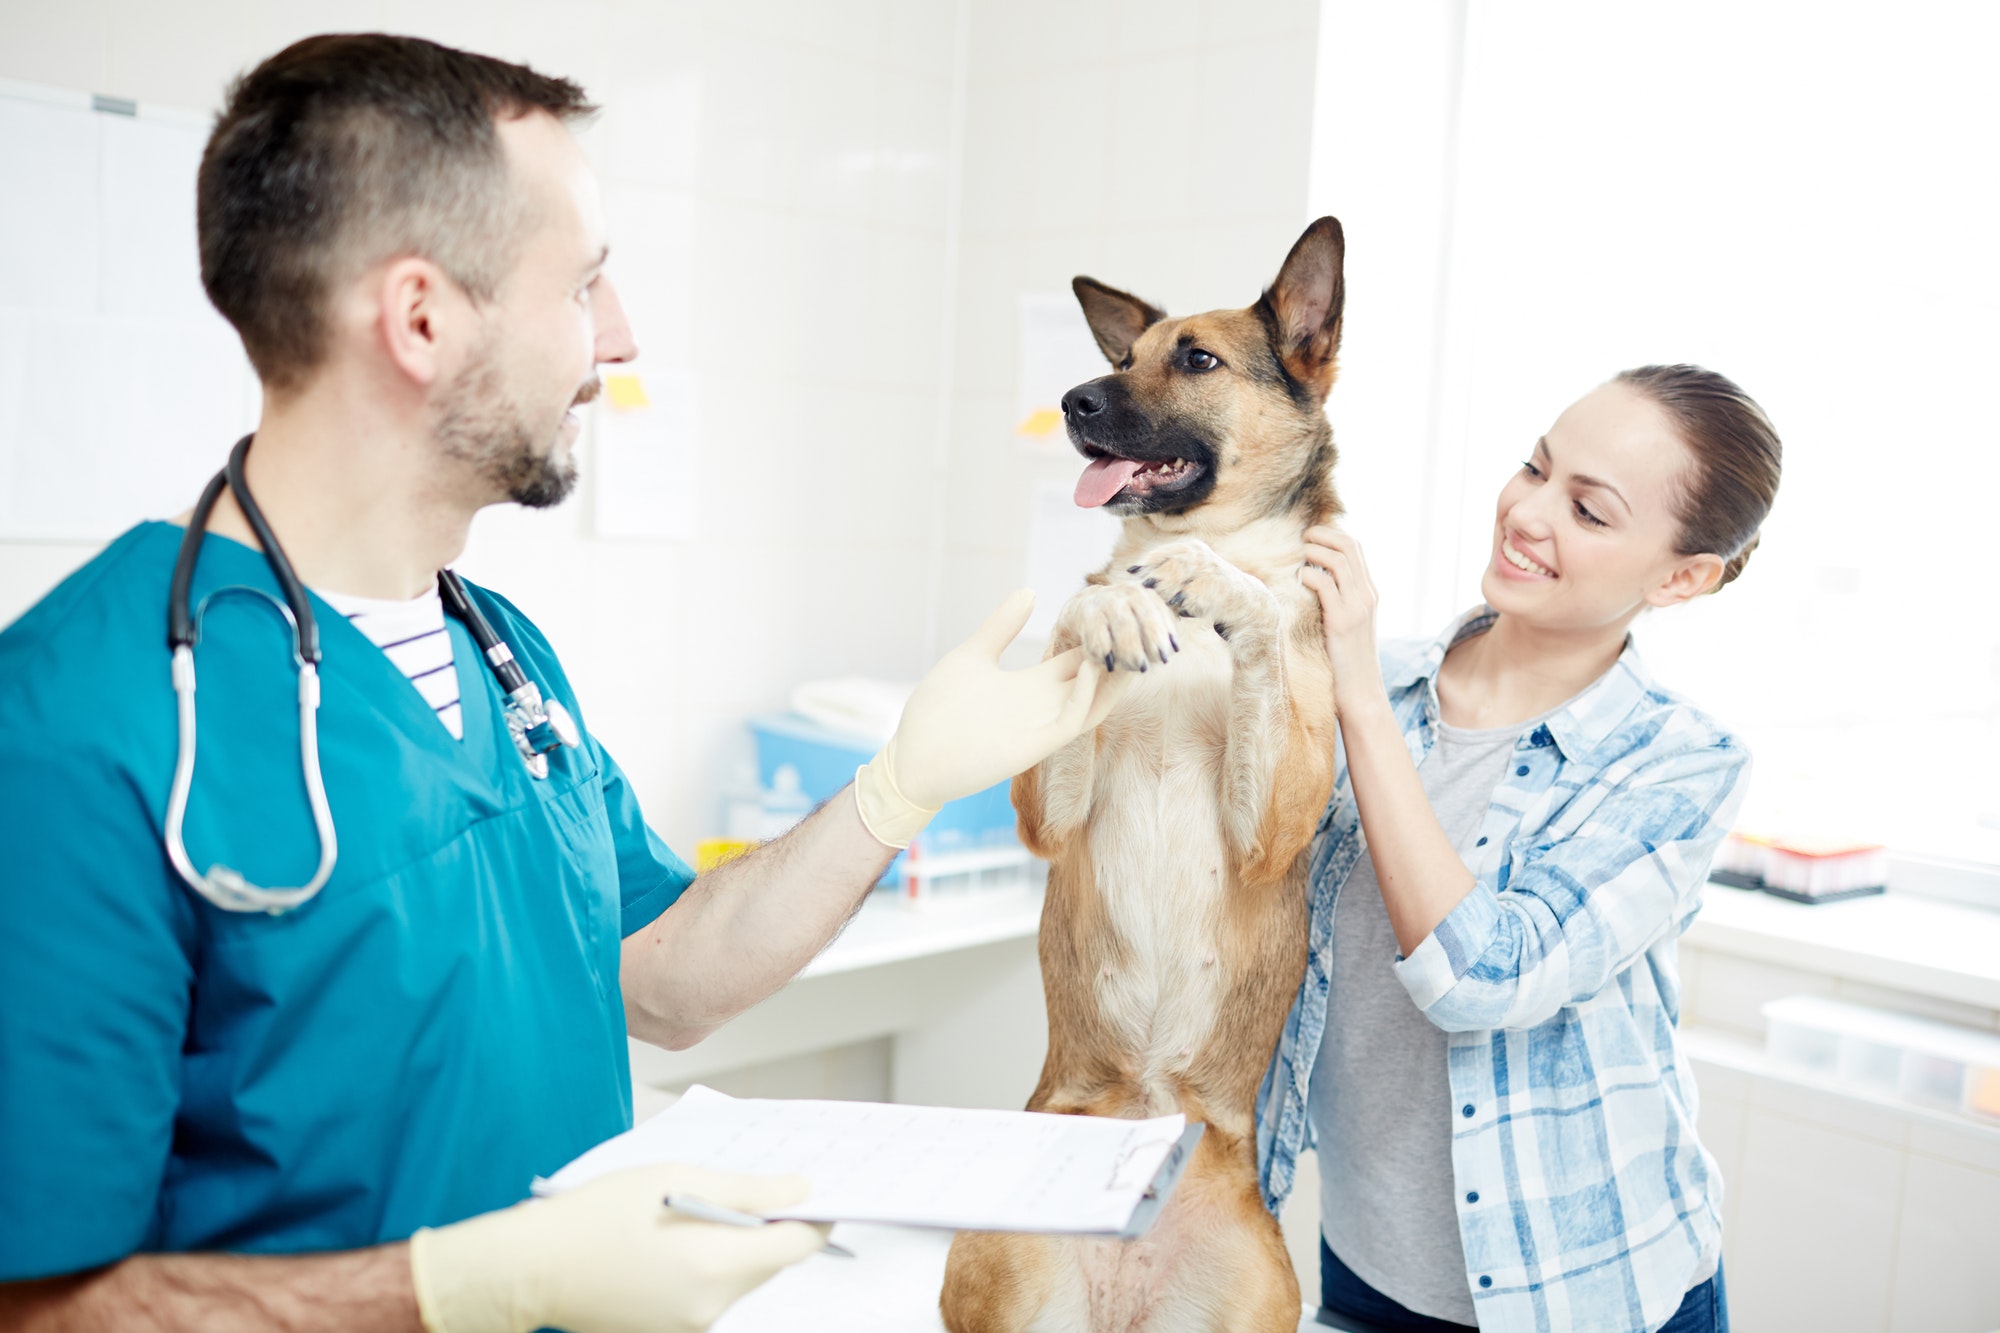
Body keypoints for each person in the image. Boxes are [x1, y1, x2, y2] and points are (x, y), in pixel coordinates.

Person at [0, 34, 1121, 1333]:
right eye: (584, 282)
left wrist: (894, 790)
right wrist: (467, 1288)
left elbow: (663, 972)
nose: (622, 336)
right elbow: (37, 1306)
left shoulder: (498, 649)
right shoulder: (78, 730)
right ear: (421, 318)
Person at [1263, 365, 1782, 1333]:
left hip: (1589, 1292)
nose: (1526, 512)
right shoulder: (1377, 682)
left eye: (1586, 509)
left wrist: (1357, 702)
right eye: (1532, 468)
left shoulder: (1679, 763)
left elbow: (1485, 975)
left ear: (1679, 576)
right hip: (1369, 1267)